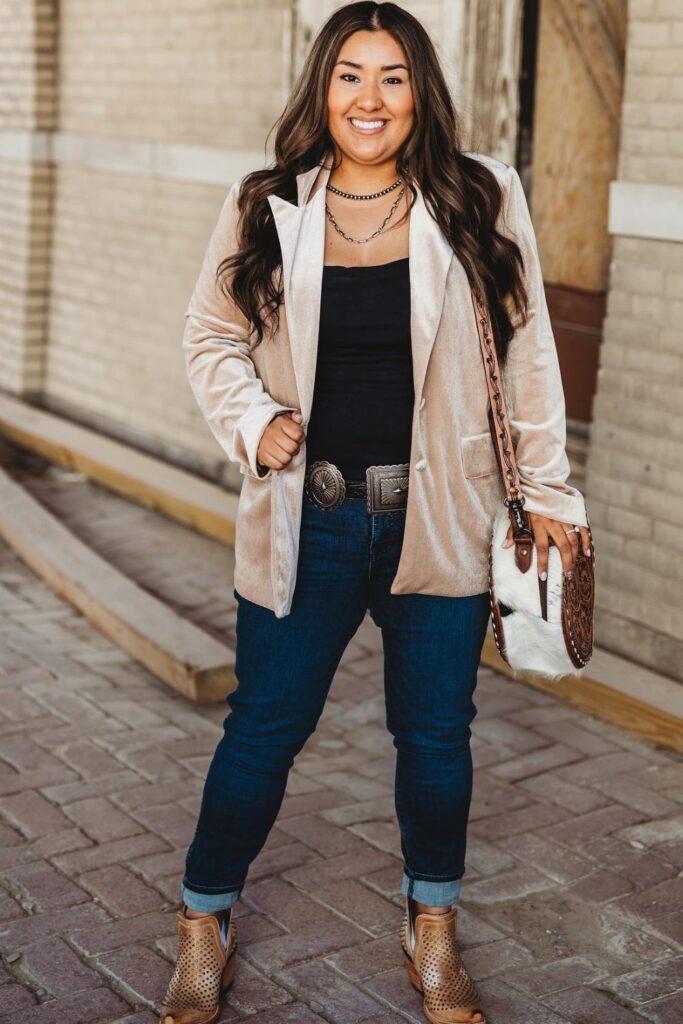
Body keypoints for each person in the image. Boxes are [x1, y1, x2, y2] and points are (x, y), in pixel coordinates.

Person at [160, 3, 591, 1023]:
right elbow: (207, 332)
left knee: (436, 735)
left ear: (418, 93)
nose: (368, 98)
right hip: (304, 520)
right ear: (320, 89)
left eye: (391, 77)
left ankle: (430, 926)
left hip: (436, 518)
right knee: (264, 729)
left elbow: (525, 360)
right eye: (348, 75)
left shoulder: (479, 195)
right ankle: (200, 920)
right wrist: (251, 417)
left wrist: (552, 494)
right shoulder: (266, 200)